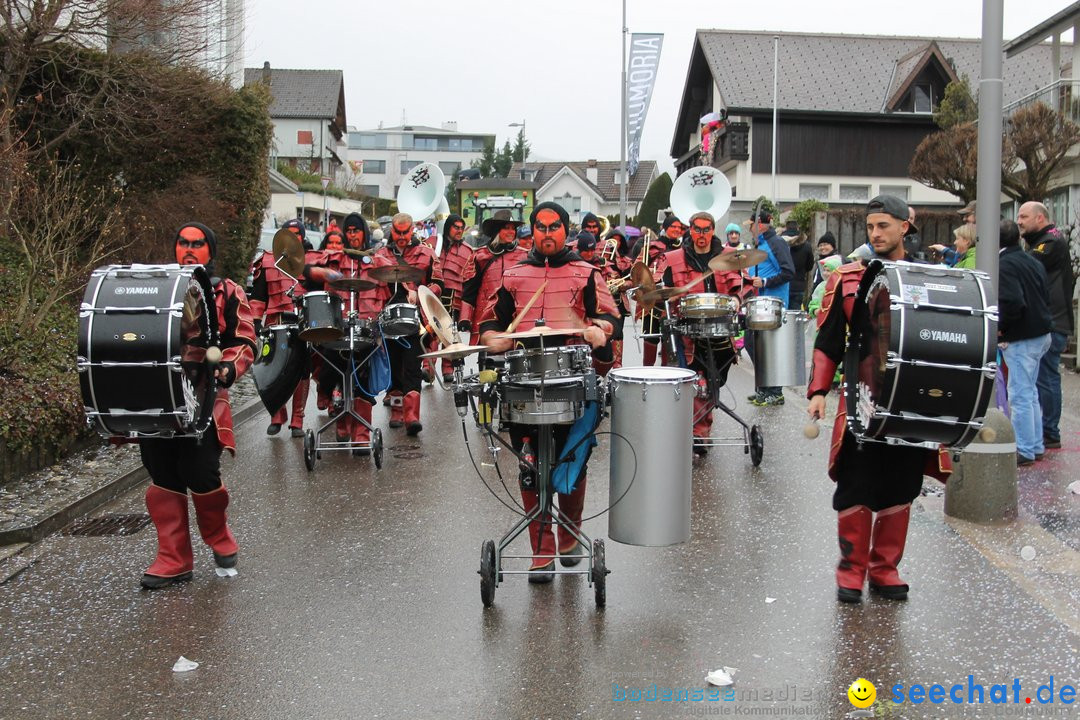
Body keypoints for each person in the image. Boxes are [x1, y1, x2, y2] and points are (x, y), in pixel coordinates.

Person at [807, 195, 951, 604]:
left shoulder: (930, 276)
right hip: (862, 398)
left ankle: (885, 569)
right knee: (857, 483)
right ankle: (851, 571)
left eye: (883, 225)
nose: (875, 234)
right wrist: (818, 391)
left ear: (905, 226)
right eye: (870, 227)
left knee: (901, 484)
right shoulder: (849, 278)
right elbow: (829, 339)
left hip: (912, 397)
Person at [480, 202, 619, 582]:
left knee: (571, 459)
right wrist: (493, 338)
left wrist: (599, 330)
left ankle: (570, 536)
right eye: (539, 227)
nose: (546, 233)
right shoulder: (514, 273)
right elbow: (491, 321)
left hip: (572, 380)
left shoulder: (587, 272)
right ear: (533, 231)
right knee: (530, 464)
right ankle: (541, 551)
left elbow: (610, 317)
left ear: (565, 229)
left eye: (554, 227)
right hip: (523, 380)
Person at [139, 222, 257, 589]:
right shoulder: (156, 287)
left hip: (205, 397)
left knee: (201, 472)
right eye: (183, 243)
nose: (189, 249)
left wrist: (229, 365)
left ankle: (219, 536)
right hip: (158, 395)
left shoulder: (227, 291)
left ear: (210, 251)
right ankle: (173, 559)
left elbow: (246, 339)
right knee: (161, 471)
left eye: (198, 243)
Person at [659, 212, 751, 454]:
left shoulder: (728, 257)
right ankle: (698, 432)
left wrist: (736, 299)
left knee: (712, 378)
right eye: (696, 229)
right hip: (686, 328)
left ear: (713, 230)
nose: (701, 235)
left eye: (706, 229)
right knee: (694, 379)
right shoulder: (673, 258)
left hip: (720, 328)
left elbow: (740, 286)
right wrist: (666, 297)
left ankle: (700, 425)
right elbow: (662, 292)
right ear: (689, 230)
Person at [312, 213, 390, 452]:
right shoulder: (333, 259)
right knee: (331, 367)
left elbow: (395, 284)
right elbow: (307, 268)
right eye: (350, 231)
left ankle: (361, 433)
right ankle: (340, 417)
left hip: (367, 330)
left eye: (357, 231)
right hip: (337, 330)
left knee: (362, 377)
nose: (353, 236)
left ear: (364, 233)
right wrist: (322, 273)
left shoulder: (377, 261)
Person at [373, 213, 438, 435]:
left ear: (413, 230)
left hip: (417, 318)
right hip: (389, 318)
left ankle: (412, 416)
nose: (401, 237)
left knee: (412, 364)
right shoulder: (381, 254)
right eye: (397, 232)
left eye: (405, 232)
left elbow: (439, 284)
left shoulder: (426, 254)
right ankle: (397, 411)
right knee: (393, 364)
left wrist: (420, 293)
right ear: (391, 230)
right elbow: (375, 287)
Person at [1017, 201, 1075, 450]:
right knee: (1040, 379)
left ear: (1040, 218)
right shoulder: (1046, 241)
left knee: (1046, 379)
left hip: (1053, 321)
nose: (1019, 221)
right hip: (1048, 320)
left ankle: (1050, 431)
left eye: (1023, 216)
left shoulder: (1051, 243)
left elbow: (1027, 265)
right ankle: (1044, 430)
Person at [998, 219, 1053, 466]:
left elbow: (1012, 301)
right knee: (1029, 393)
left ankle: (1025, 449)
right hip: (1041, 332)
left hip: (1022, 336)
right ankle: (1035, 445)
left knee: (1019, 394)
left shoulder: (1005, 264)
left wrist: (1001, 329)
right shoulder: (1031, 259)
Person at [249, 218, 310, 437]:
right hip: (275, 323)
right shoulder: (266, 261)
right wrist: (255, 321)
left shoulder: (311, 260)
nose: (293, 237)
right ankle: (277, 414)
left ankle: (297, 420)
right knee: (274, 367)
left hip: (303, 322)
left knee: (302, 371)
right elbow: (258, 297)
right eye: (289, 233)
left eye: (297, 233)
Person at [744, 209, 794, 406]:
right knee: (752, 343)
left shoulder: (776, 243)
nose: (750, 229)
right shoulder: (760, 243)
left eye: (751, 225)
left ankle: (774, 392)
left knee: (770, 348)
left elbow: (789, 271)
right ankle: (764, 388)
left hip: (773, 302)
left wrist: (764, 282)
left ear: (761, 225)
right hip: (758, 303)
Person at [459, 210, 528, 344]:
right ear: (497, 230)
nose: (511, 232)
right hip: (487, 319)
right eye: (506, 228)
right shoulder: (480, 256)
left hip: (517, 315)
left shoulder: (525, 256)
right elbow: (469, 292)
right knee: (488, 361)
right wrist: (465, 318)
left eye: (513, 228)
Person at [630, 215, 686, 366]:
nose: (676, 230)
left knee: (670, 336)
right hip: (653, 298)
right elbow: (637, 268)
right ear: (665, 228)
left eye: (679, 227)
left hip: (674, 297)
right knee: (651, 336)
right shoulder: (652, 246)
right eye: (673, 226)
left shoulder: (683, 248)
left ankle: (666, 372)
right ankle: (647, 372)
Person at [430, 213, 475, 381]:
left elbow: (469, 280)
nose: (459, 230)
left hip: (454, 297)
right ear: (448, 226)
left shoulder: (468, 251)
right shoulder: (433, 243)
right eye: (456, 227)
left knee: (450, 333)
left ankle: (448, 370)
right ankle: (428, 367)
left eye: (462, 228)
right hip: (433, 294)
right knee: (431, 332)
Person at [783, 221, 815, 310]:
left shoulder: (780, 243)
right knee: (795, 315)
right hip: (798, 286)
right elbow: (810, 266)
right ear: (798, 228)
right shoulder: (807, 245)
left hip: (783, 284)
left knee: (781, 313)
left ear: (786, 228)